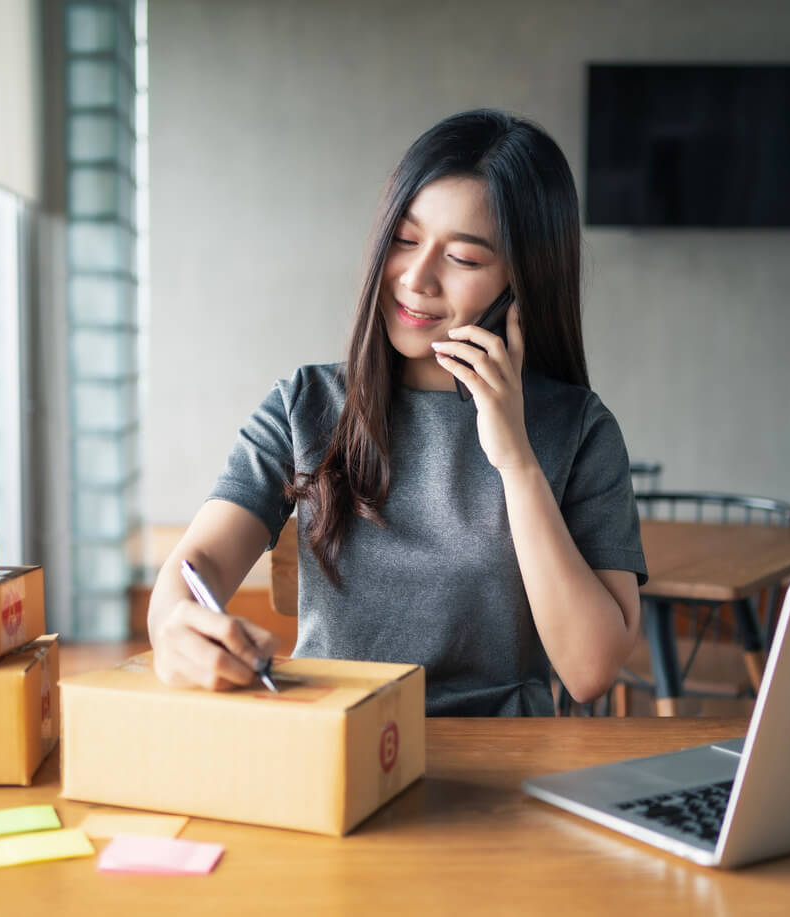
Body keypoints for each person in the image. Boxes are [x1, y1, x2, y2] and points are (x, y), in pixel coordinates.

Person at [147, 108, 648, 716]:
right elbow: (191, 572)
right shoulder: (303, 407)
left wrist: (516, 461)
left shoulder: (578, 430)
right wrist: (178, 629)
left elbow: (590, 670)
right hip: (337, 747)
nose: (416, 277)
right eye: (405, 240)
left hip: (499, 763)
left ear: (521, 283)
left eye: (463, 259)